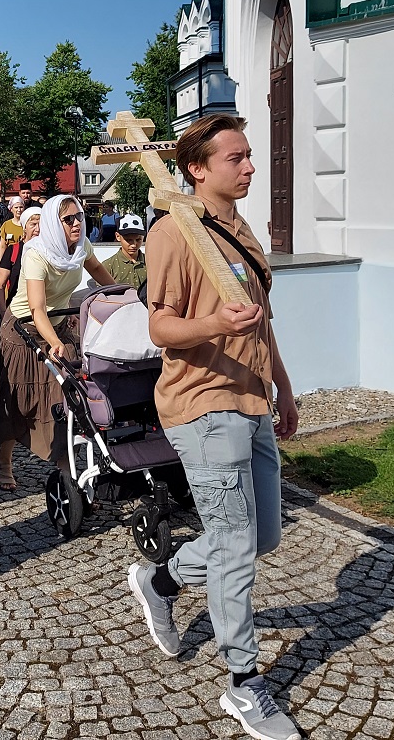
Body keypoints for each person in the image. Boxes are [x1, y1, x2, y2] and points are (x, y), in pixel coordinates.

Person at [125, 115, 300, 740]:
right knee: (232, 543)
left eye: (250, 156)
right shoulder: (174, 232)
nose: (250, 166)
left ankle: (161, 577)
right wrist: (215, 328)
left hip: (252, 400)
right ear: (198, 168)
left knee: (262, 538)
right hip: (202, 404)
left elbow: (261, 317)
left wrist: (282, 383)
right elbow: (161, 326)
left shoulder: (241, 227)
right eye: (237, 158)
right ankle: (244, 682)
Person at [0, 195, 113, 492]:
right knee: (17, 401)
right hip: (23, 330)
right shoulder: (36, 252)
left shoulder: (81, 246)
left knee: (65, 401)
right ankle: (5, 461)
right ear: (53, 223)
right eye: (69, 219)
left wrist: (118, 295)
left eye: (80, 217)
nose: (77, 223)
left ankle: (67, 471)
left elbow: (98, 272)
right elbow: (36, 308)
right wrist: (52, 342)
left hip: (57, 324)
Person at [0, 205, 41, 321]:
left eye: (41, 224)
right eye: (33, 224)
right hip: (16, 313)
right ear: (24, 227)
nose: (38, 229)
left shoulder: (49, 251)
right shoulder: (13, 250)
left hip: (43, 312)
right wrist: (4, 313)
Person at [100, 213, 147, 290]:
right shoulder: (108, 266)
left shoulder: (151, 263)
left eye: (138, 240)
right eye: (129, 240)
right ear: (118, 236)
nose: (134, 245)